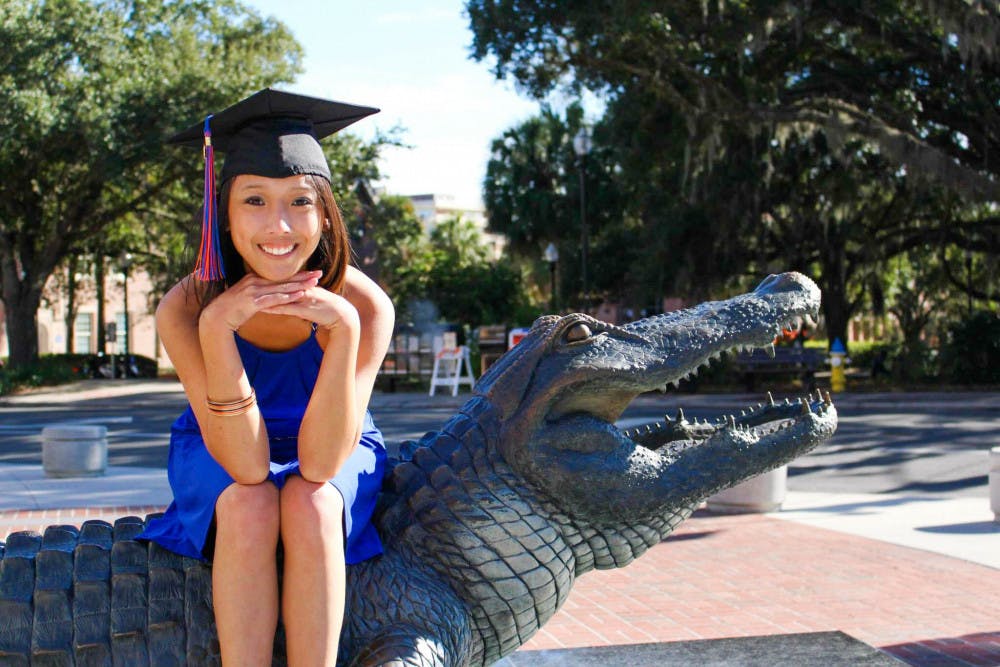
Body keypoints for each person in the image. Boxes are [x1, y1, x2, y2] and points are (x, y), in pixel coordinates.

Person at [139, 89, 393, 666]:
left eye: (299, 201)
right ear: (222, 217)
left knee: (312, 502)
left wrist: (346, 330)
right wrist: (217, 327)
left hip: (335, 439)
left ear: (325, 214)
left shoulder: (365, 307)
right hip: (222, 442)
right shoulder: (184, 309)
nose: (278, 225)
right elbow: (247, 467)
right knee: (251, 505)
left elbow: (323, 465)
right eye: (254, 199)